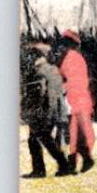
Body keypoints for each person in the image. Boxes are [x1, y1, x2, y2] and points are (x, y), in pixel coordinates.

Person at [21, 42, 73, 178]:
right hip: (53, 109)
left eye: (30, 54)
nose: (28, 57)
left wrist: (28, 109)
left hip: (41, 111)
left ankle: (60, 166)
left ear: (35, 55)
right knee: (36, 139)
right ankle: (43, 169)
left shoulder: (36, 70)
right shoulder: (53, 69)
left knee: (43, 140)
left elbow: (39, 93)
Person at [56, 30, 96, 173]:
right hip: (79, 100)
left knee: (72, 133)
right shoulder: (76, 57)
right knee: (75, 133)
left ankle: (76, 163)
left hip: (74, 100)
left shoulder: (70, 58)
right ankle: (82, 160)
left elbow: (68, 78)